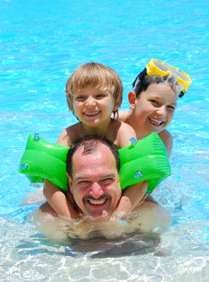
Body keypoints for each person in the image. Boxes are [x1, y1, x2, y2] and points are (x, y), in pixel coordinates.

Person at [43, 62, 147, 218]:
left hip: (117, 198)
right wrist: (74, 221)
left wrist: (116, 218)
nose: (90, 103)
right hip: (83, 197)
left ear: (116, 102)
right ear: (71, 106)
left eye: (99, 96)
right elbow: (50, 187)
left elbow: (140, 181)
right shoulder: (68, 136)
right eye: (81, 97)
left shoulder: (123, 133)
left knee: (149, 208)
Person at [37, 136, 170, 240]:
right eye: (84, 181)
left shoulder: (148, 216)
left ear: (121, 179)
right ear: (71, 185)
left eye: (106, 180)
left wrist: (116, 220)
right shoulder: (50, 221)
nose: (96, 193)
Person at [119, 59, 192, 157]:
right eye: (154, 102)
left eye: (170, 107)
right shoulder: (110, 125)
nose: (162, 113)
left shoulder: (163, 140)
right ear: (133, 100)